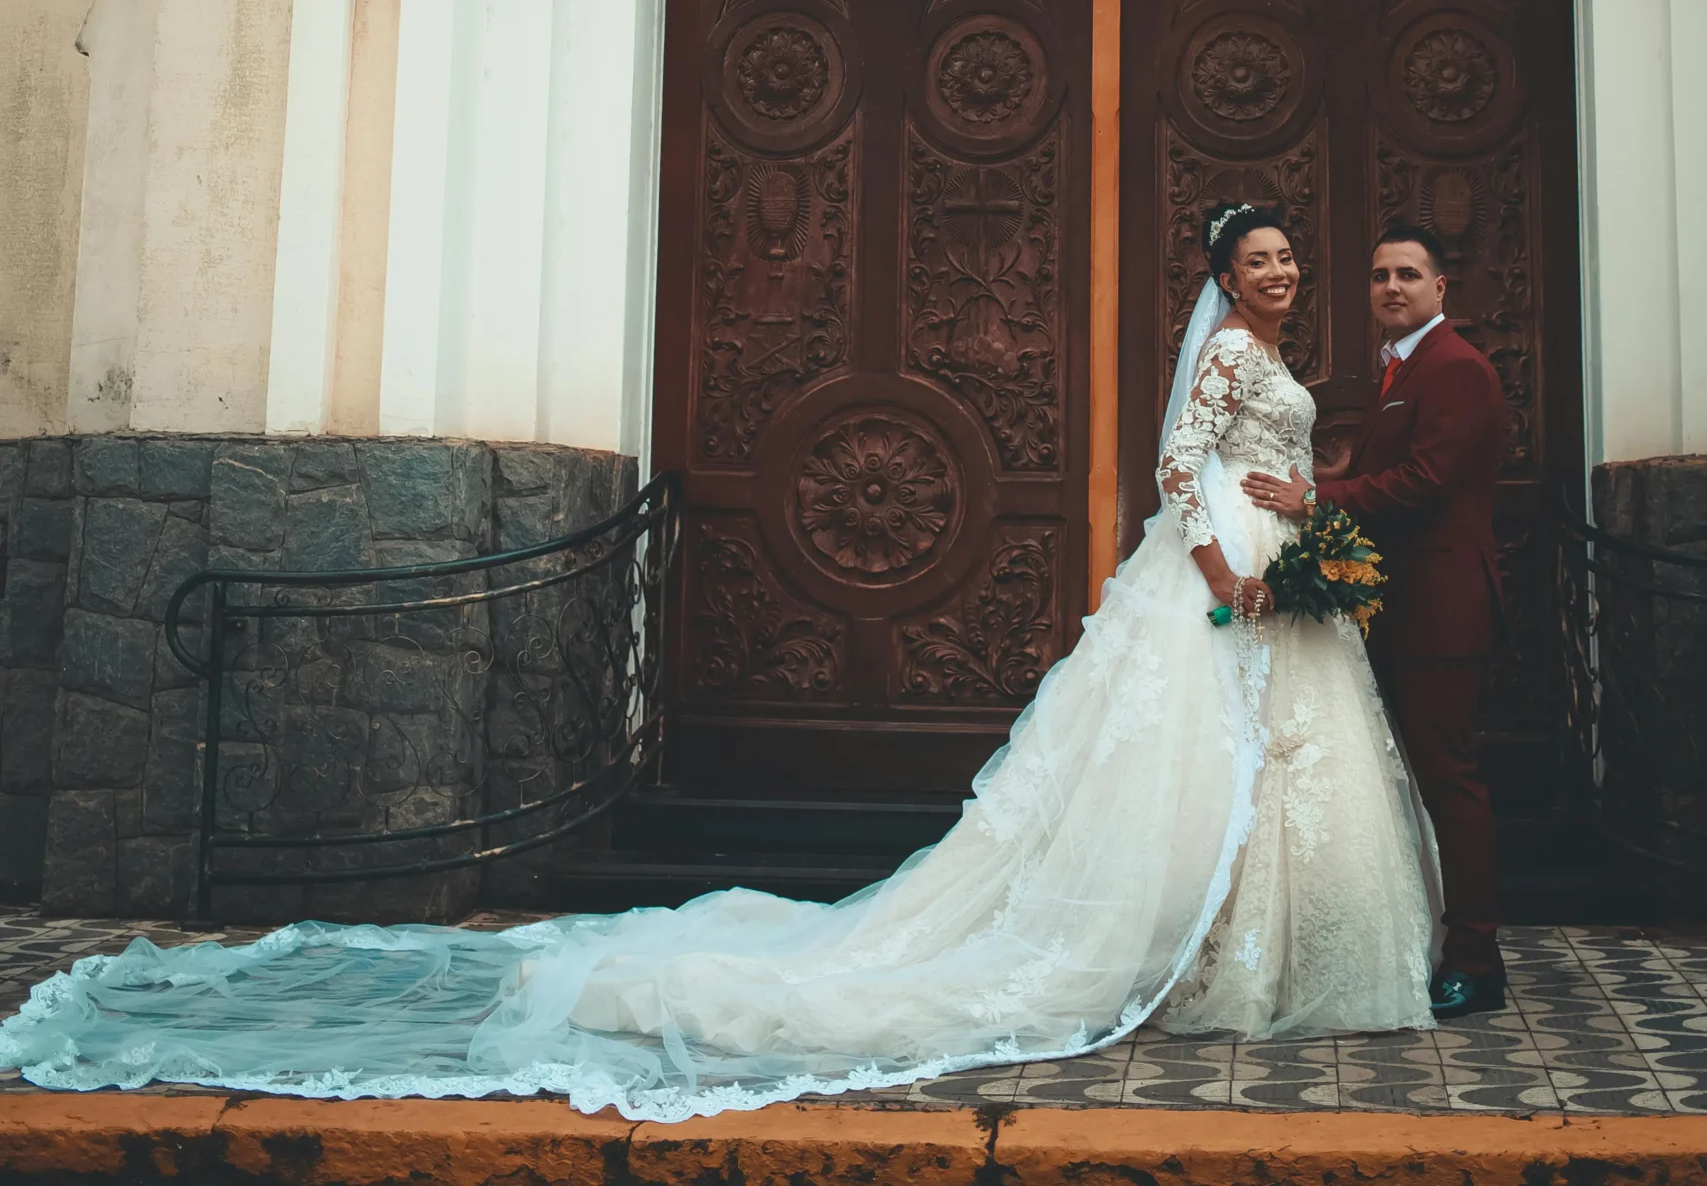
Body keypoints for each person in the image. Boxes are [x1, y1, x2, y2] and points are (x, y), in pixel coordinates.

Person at [0, 204, 1436, 1113]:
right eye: (1258, 260)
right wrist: (1213, 579)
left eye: (1286, 258)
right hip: (1218, 588)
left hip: (1271, 572)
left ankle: (1232, 959)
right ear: (1219, 279)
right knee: (1199, 774)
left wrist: (1301, 514)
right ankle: (1189, 958)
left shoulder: (1281, 358)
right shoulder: (1233, 360)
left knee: (1258, 781)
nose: (1280, 272)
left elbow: (1275, 468)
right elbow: (1182, 466)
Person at [1242, 221, 1506, 1019]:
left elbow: (1423, 480)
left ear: (1439, 289)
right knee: (1416, 783)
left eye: (1408, 275)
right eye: (1379, 274)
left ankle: (1475, 960)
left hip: (1440, 613)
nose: (1391, 287)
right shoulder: (1404, 367)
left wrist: (1315, 498)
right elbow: (1391, 468)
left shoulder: (1455, 367)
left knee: (1448, 783)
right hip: (1400, 609)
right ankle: (1429, 937)